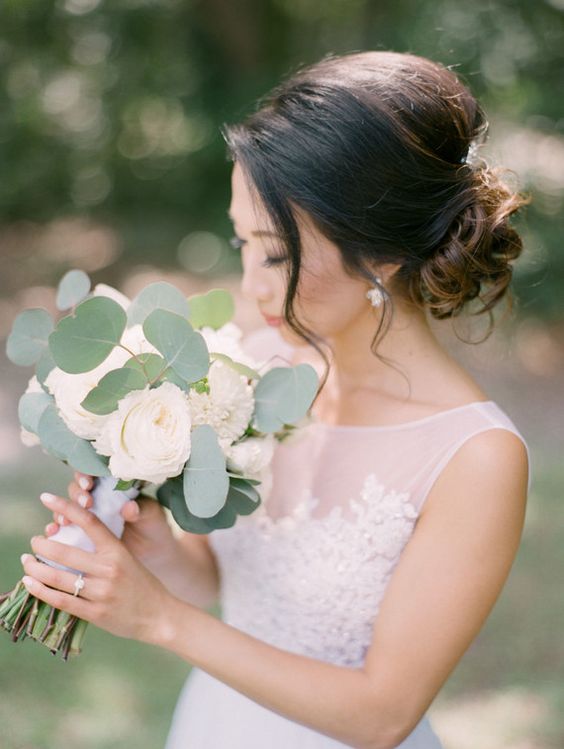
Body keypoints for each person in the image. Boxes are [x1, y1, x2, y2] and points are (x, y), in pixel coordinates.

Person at [28, 50, 532, 749]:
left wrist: (158, 620)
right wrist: (158, 546)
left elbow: (383, 714)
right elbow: (227, 585)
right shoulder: (257, 365)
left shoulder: (475, 456)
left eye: (275, 253)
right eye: (243, 243)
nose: (252, 284)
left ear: (380, 253)